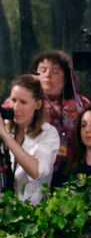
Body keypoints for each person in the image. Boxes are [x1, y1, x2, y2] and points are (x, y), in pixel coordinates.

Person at [30, 49, 91, 178]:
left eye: (55, 71)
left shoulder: (81, 103)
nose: (48, 75)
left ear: (66, 78)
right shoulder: (22, 101)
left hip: (75, 172)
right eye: (43, 69)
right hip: (32, 172)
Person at [0, 74, 59, 204]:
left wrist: (5, 136)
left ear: (38, 105)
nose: (15, 107)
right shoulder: (5, 126)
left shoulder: (48, 134)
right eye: (13, 100)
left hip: (32, 215)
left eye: (23, 102)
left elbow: (36, 171)